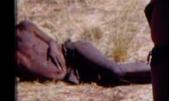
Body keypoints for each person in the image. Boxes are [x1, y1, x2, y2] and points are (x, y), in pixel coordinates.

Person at [16, 20, 151, 85]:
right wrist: (60, 74)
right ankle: (160, 76)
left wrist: (52, 47)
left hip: (72, 52)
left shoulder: (24, 28)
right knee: (115, 79)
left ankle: (162, 66)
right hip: (72, 74)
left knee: (116, 71)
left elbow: (50, 40)